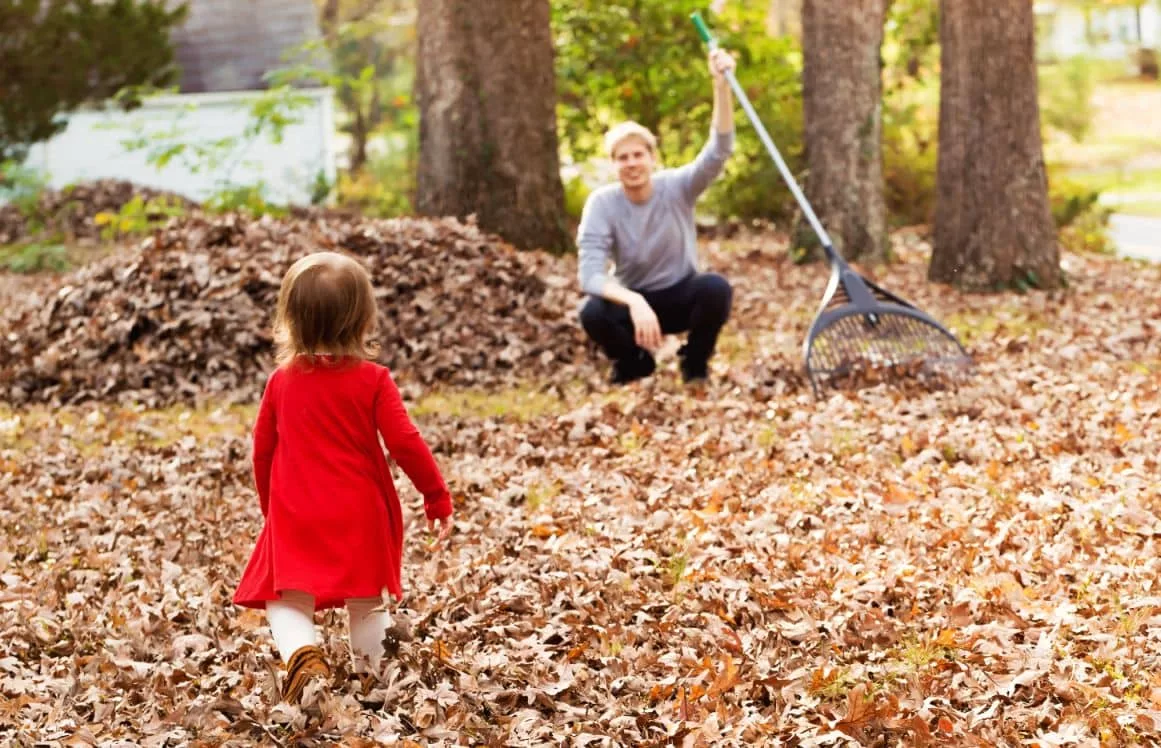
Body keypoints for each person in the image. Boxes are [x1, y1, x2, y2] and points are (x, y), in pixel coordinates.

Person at [232, 251, 455, 705]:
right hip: (361, 509)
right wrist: (436, 496)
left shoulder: (281, 382)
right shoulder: (373, 380)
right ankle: (370, 679)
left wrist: (270, 508)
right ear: (362, 319)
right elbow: (405, 442)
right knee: (366, 599)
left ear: (291, 318)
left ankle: (303, 655)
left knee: (286, 598)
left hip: (296, 508)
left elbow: (262, 451)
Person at [576, 48, 738, 386]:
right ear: (613, 164)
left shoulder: (677, 187)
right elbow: (590, 276)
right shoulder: (602, 203)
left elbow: (719, 150)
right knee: (591, 312)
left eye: (638, 155)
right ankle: (635, 364)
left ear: (652, 158)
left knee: (716, 289)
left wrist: (721, 87)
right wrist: (634, 301)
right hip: (633, 301)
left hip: (680, 294)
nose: (631, 163)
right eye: (623, 157)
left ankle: (694, 364)